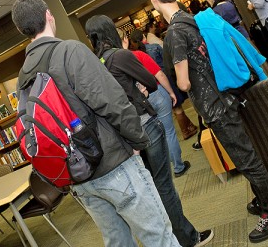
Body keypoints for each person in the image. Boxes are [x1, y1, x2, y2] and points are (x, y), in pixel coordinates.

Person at [12, 0, 179, 247]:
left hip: (78, 175)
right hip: (114, 165)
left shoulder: (23, 75)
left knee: (117, 242)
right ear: (49, 14)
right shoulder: (70, 50)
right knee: (158, 236)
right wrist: (137, 139)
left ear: (21, 30)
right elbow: (111, 102)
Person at [147, 0, 268, 243]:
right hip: (225, 94)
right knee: (246, 153)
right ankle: (264, 199)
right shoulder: (192, 18)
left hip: (214, 106)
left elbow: (184, 82)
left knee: (246, 158)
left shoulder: (175, 33)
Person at [86, 14, 213, 247]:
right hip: (145, 126)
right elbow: (152, 82)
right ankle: (186, 237)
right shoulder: (120, 56)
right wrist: (138, 89)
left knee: (149, 188)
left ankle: (167, 238)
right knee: (163, 185)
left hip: (124, 135)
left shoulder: (94, 64)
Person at [120, 29, 190, 177]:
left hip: (138, 103)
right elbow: (160, 74)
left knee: (153, 137)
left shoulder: (112, 65)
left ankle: (162, 171)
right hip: (156, 94)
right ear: (125, 40)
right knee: (169, 132)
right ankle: (178, 166)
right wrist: (171, 92)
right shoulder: (138, 55)